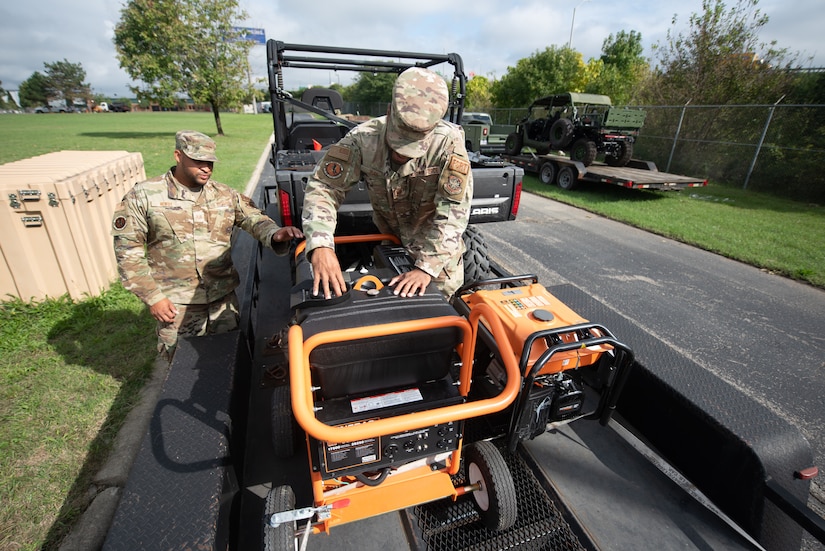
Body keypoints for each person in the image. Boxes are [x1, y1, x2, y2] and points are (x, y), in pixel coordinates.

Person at [112, 130, 303, 360]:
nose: (206, 168)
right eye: (198, 161)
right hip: (177, 306)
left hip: (222, 300)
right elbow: (128, 253)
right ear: (178, 155)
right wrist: (153, 297)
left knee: (228, 360)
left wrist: (274, 233)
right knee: (182, 368)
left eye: (210, 162)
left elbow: (253, 218)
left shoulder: (223, 194)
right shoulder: (144, 196)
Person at [302, 67, 473, 299]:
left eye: (413, 147)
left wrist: (426, 268)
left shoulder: (448, 145)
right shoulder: (363, 140)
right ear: (389, 110)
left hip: (437, 258)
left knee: (440, 318)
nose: (403, 154)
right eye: (398, 142)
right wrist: (321, 244)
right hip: (392, 245)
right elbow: (325, 188)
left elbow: (453, 213)